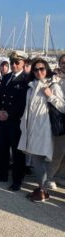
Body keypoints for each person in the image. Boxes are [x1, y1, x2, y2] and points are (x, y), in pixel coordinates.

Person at [17, 58, 65, 202]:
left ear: (47, 69)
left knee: (41, 160)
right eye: (36, 70)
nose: (39, 72)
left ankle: (42, 190)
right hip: (31, 128)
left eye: (42, 69)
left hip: (45, 130)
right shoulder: (31, 86)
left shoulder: (53, 85)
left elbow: (63, 107)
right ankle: (41, 189)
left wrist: (50, 96)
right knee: (36, 160)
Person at [0, 50, 30, 191]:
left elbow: (23, 103)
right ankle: (1, 174)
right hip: (2, 120)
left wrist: (9, 114)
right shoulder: (6, 77)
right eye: (12, 62)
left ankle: (17, 180)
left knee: (16, 153)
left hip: (15, 122)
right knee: (3, 149)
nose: (13, 65)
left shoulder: (26, 80)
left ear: (23, 63)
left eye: (16, 62)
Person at [46, 54, 65, 188]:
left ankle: (59, 176)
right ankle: (49, 177)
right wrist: (51, 97)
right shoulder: (54, 81)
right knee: (58, 152)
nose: (64, 64)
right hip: (60, 121)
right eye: (62, 62)